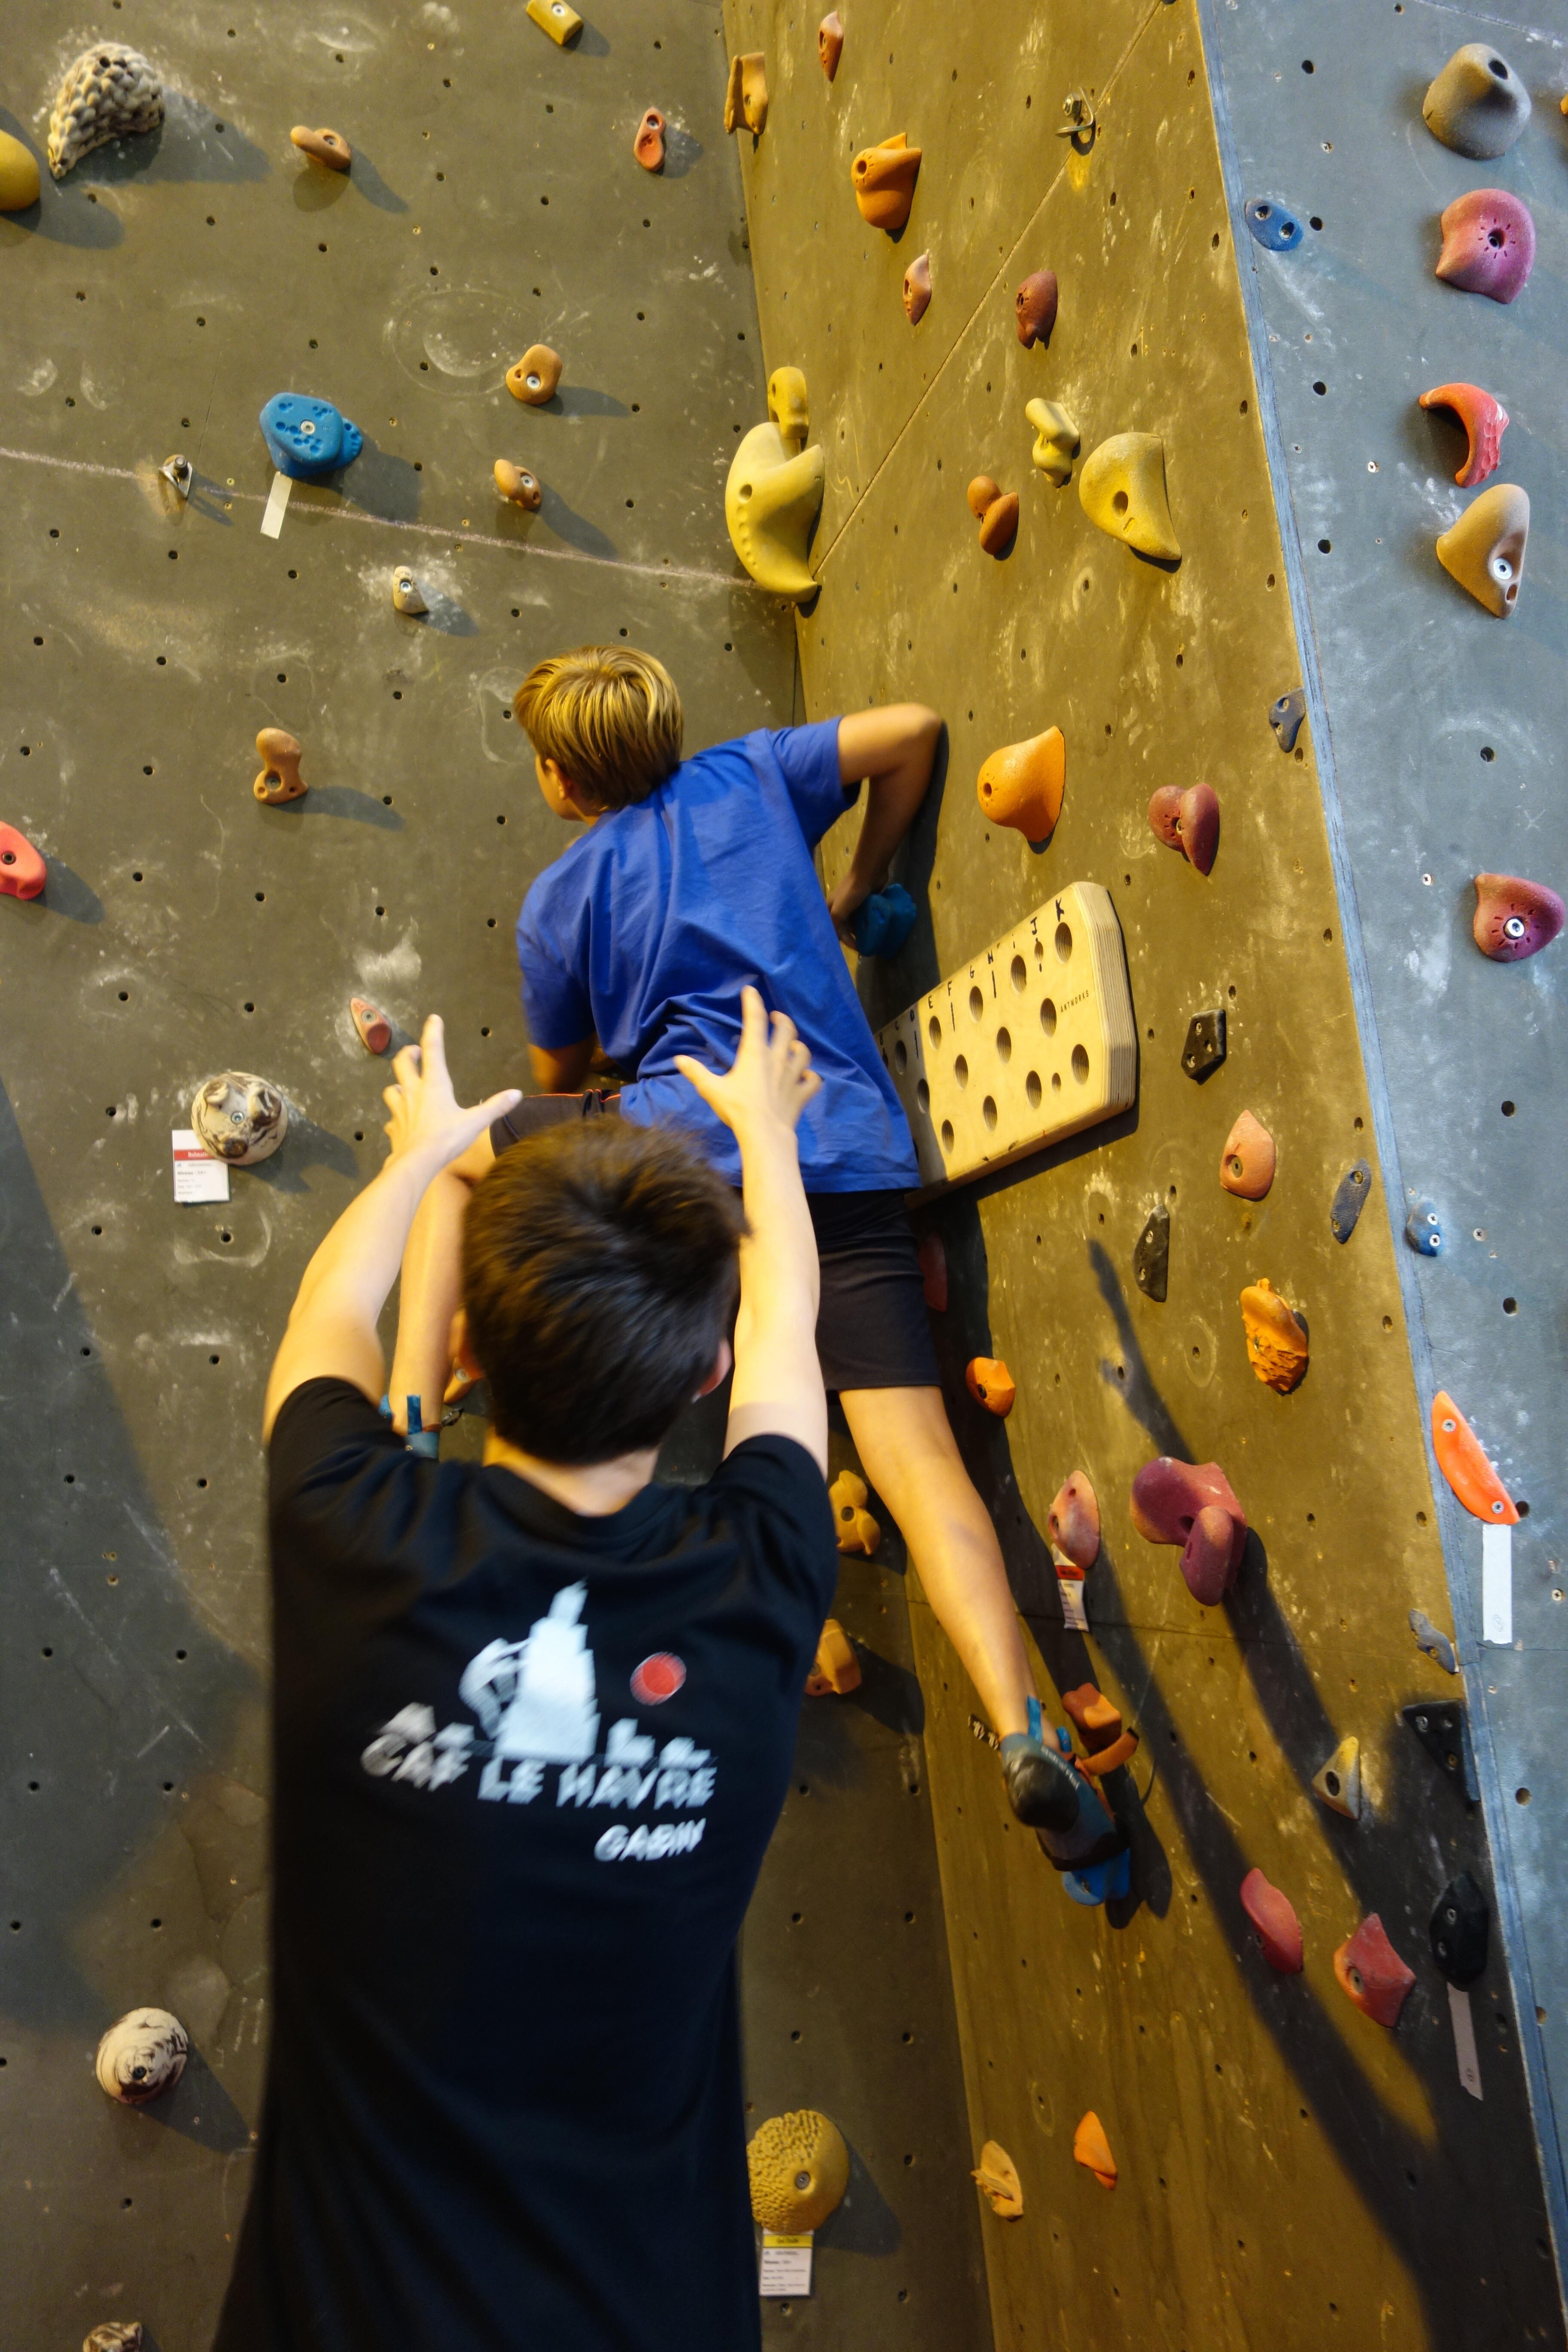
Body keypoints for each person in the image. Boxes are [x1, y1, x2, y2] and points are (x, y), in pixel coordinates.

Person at [216, 994, 842, 2352]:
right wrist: (767, 1138)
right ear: (704, 1374)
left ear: (470, 1358)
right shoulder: (763, 1569)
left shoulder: (352, 1527)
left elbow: (334, 1312)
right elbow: (789, 1333)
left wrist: (419, 1159)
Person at [389, 643, 1099, 1839]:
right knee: (919, 1459)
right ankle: (1025, 1730)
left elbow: (562, 1067)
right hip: (843, 1144)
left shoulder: (560, 900)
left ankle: (413, 1417)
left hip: (683, 1144)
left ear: (562, 777)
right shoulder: (754, 773)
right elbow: (915, 728)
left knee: (448, 1152)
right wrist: (854, 883)